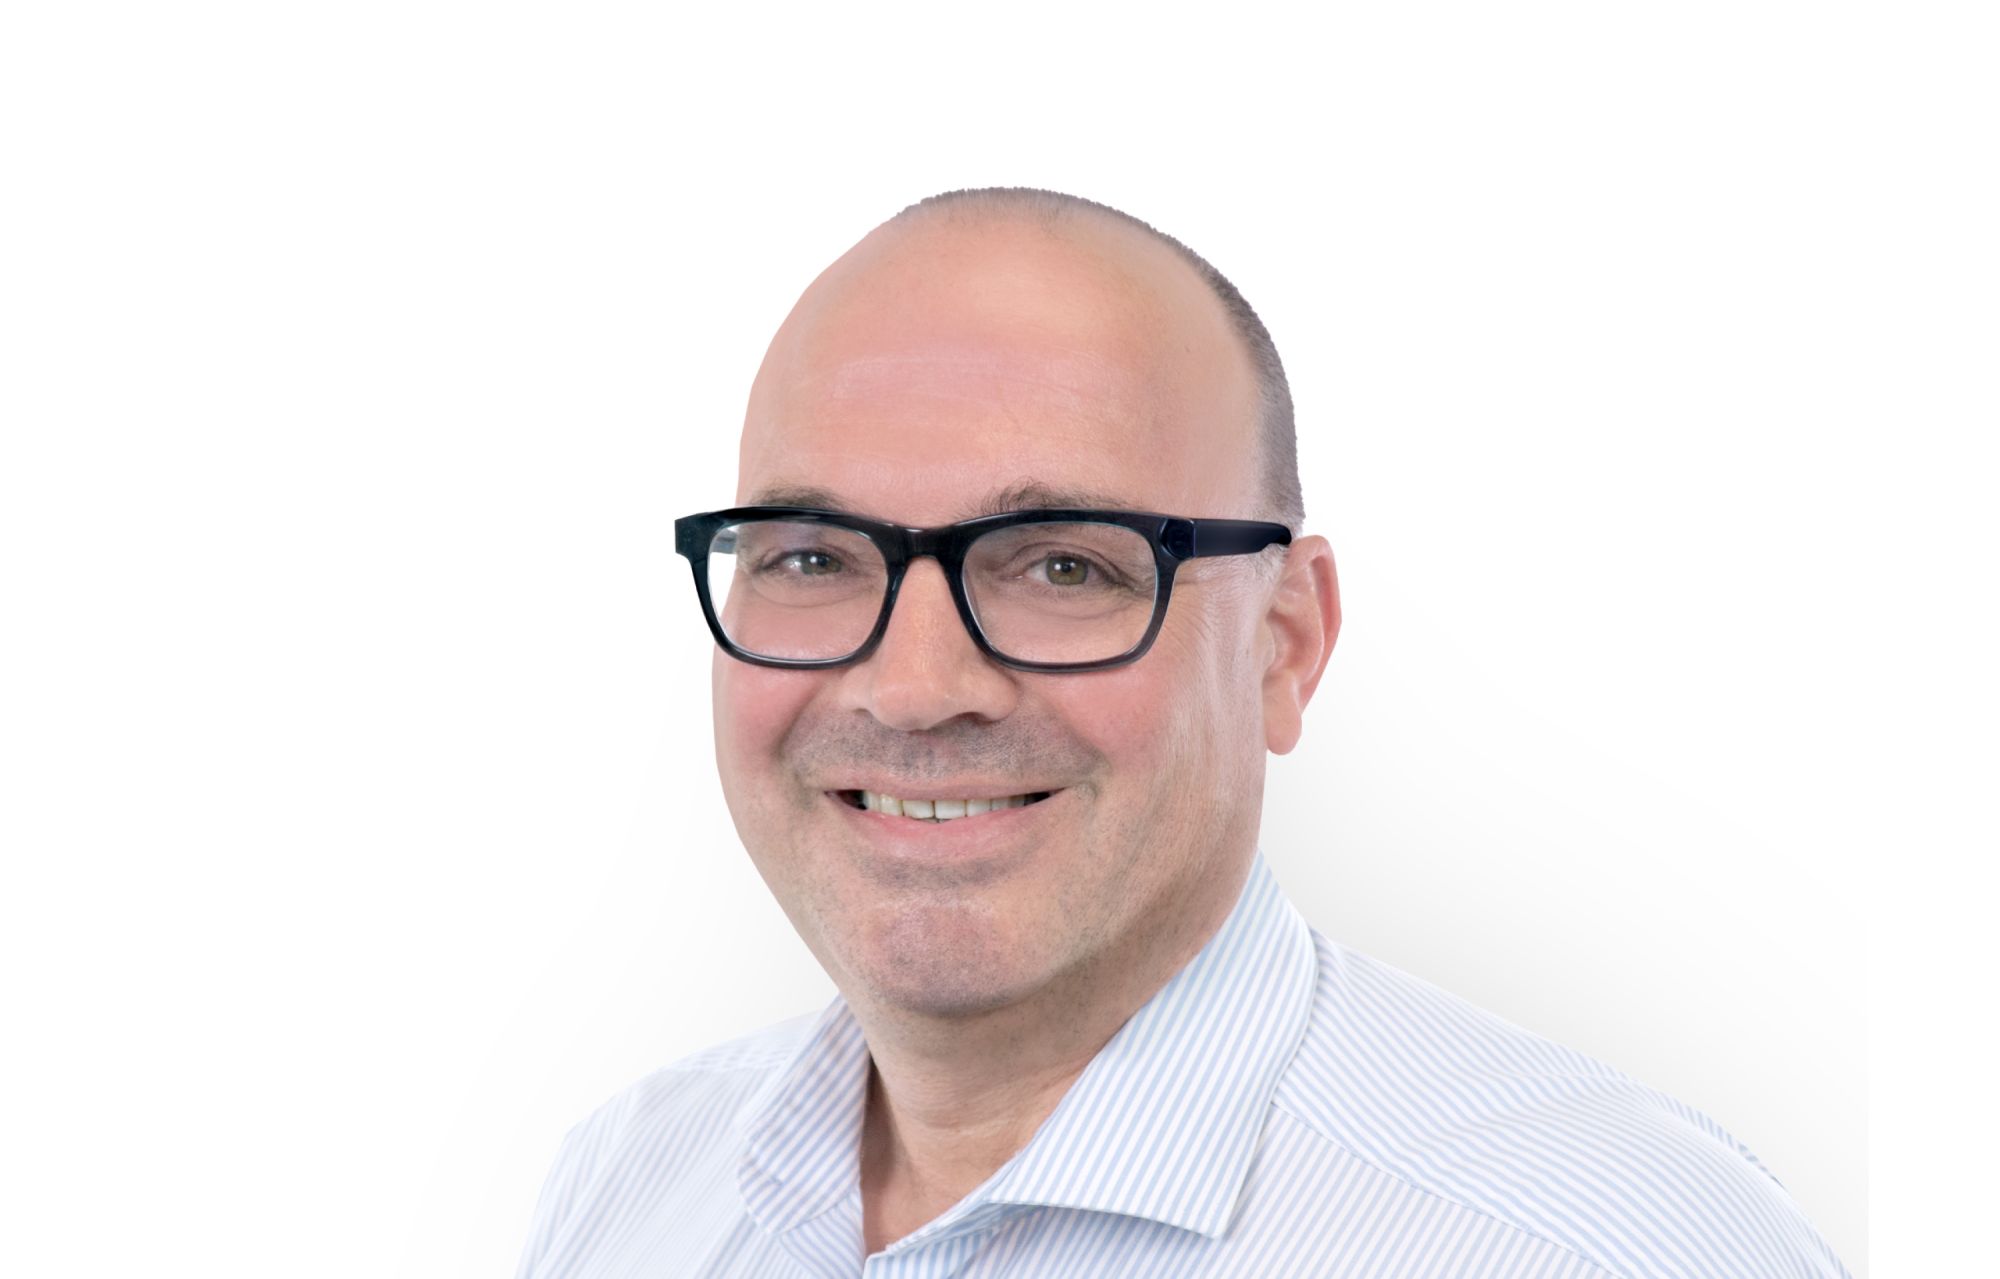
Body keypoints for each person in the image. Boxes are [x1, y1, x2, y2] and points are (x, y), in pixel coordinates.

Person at [515, 188, 1850, 1278]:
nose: (914, 687)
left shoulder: (1612, 1253)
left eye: (1064, 566)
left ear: (1285, 643)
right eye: (813, 559)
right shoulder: (630, 1187)